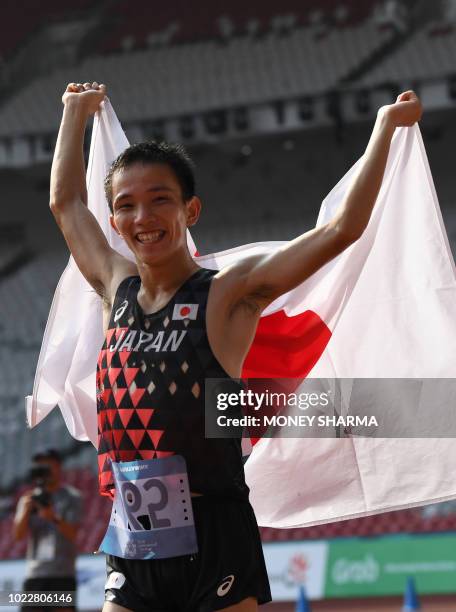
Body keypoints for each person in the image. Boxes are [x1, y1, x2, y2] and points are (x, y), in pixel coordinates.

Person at [49, 81, 422, 611]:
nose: (143, 218)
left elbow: (340, 231)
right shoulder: (115, 287)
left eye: (160, 200)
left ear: (190, 210)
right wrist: (73, 113)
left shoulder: (229, 292)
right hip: (134, 534)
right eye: (126, 206)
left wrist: (384, 128)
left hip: (215, 532)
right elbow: (64, 203)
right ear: (113, 221)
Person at [13, 449, 82, 612]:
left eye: (48, 464)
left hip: (62, 574)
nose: (44, 469)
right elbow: (17, 536)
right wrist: (25, 512)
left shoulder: (72, 497)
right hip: (35, 574)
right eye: (40, 465)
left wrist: (53, 517)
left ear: (58, 467)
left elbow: (73, 533)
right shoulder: (28, 499)